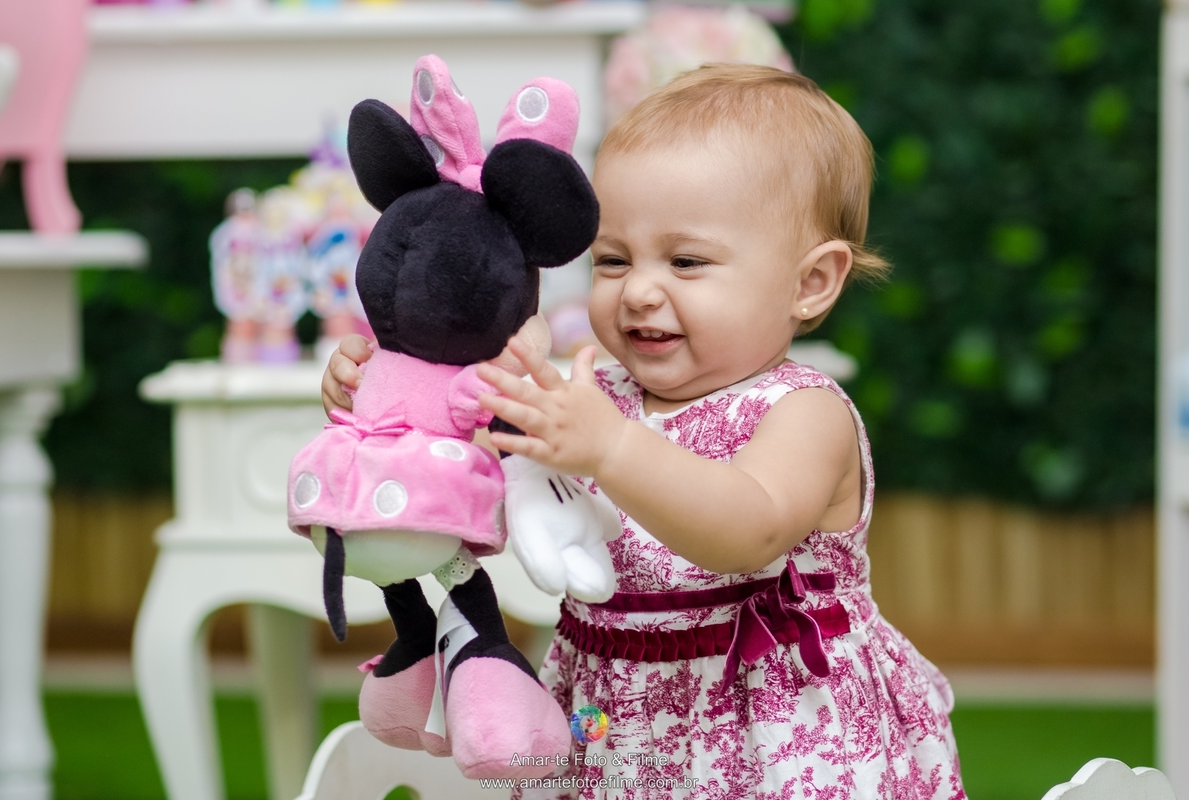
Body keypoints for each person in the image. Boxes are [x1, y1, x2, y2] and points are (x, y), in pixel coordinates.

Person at [322, 64, 964, 800]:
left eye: (686, 261)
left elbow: (749, 529)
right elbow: (482, 470)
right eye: (613, 260)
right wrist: (389, 400)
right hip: (609, 721)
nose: (639, 290)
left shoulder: (802, 411)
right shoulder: (597, 397)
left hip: (771, 733)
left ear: (810, 282)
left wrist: (613, 449)